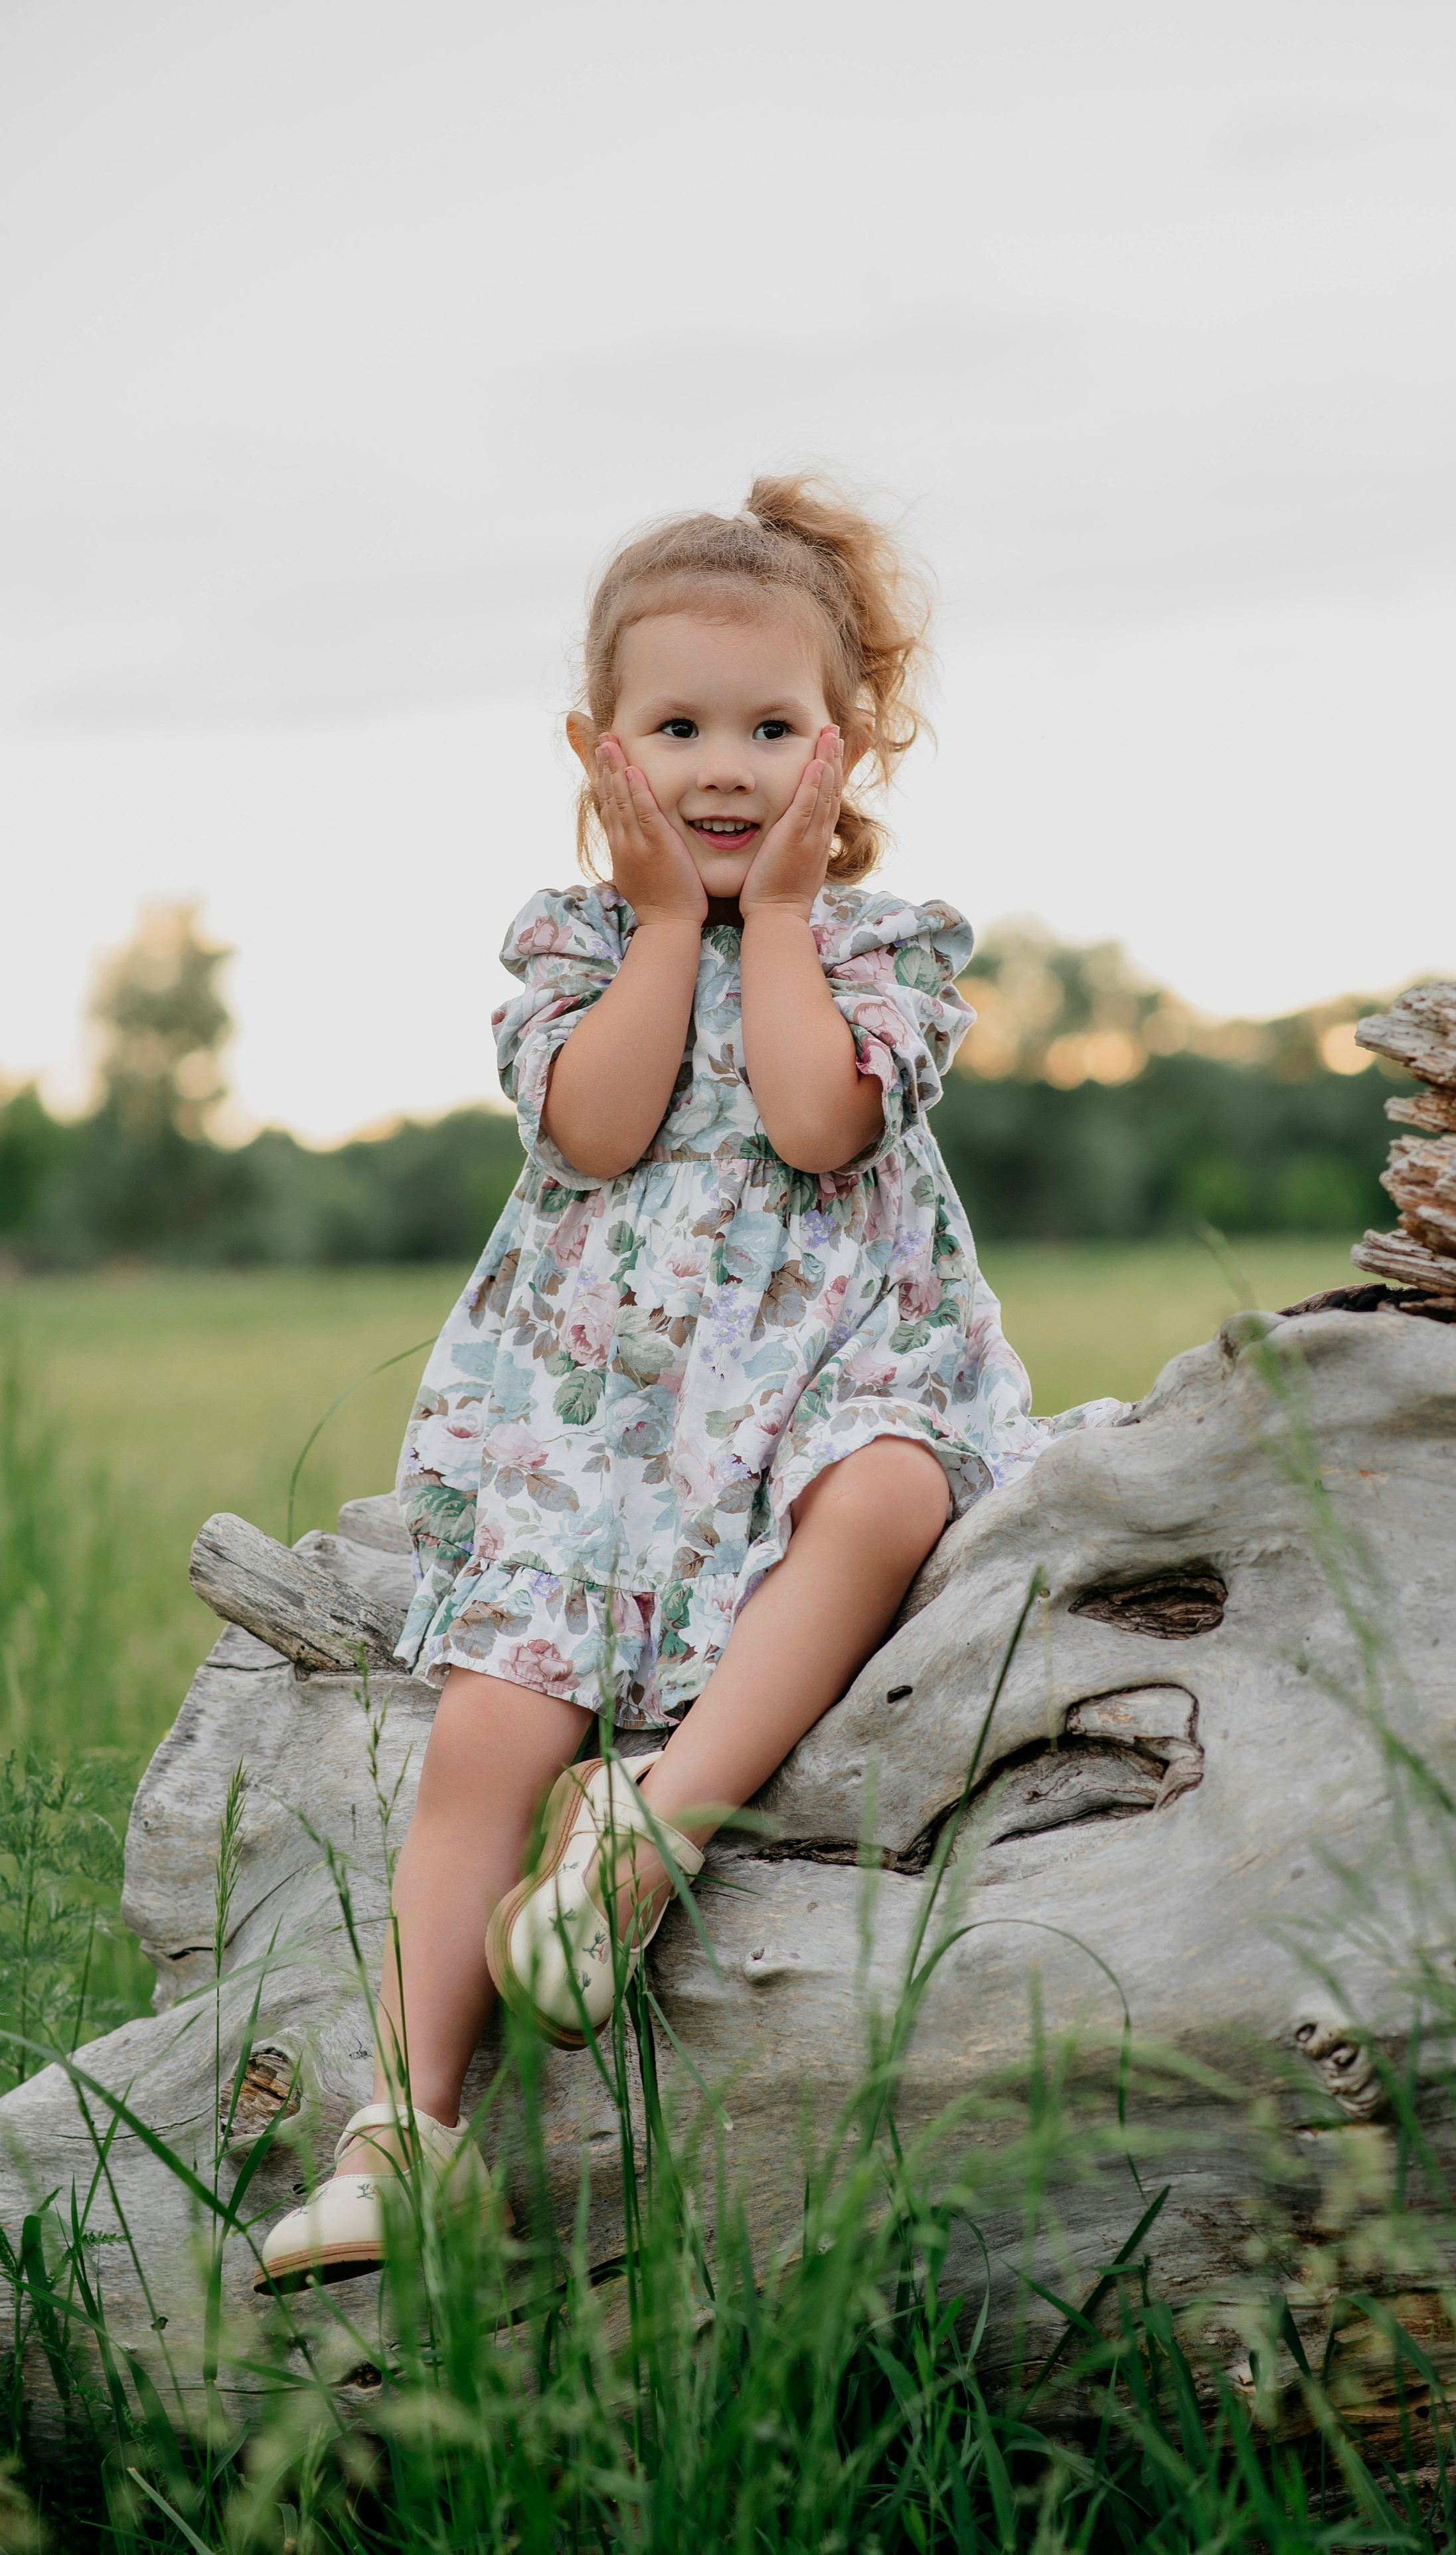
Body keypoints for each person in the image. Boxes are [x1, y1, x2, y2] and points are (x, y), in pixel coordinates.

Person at [258, 475, 1117, 2288]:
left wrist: (782, 917)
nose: (724, 769)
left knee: (887, 1496)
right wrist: (669, 930)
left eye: (772, 729)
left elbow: (817, 1128)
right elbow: (595, 1125)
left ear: (848, 743)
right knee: (492, 1727)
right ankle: (401, 2129)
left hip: (832, 1374)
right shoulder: (574, 947)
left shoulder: (884, 951)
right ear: (598, 750)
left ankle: (657, 1834)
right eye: (677, 729)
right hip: (613, 1420)